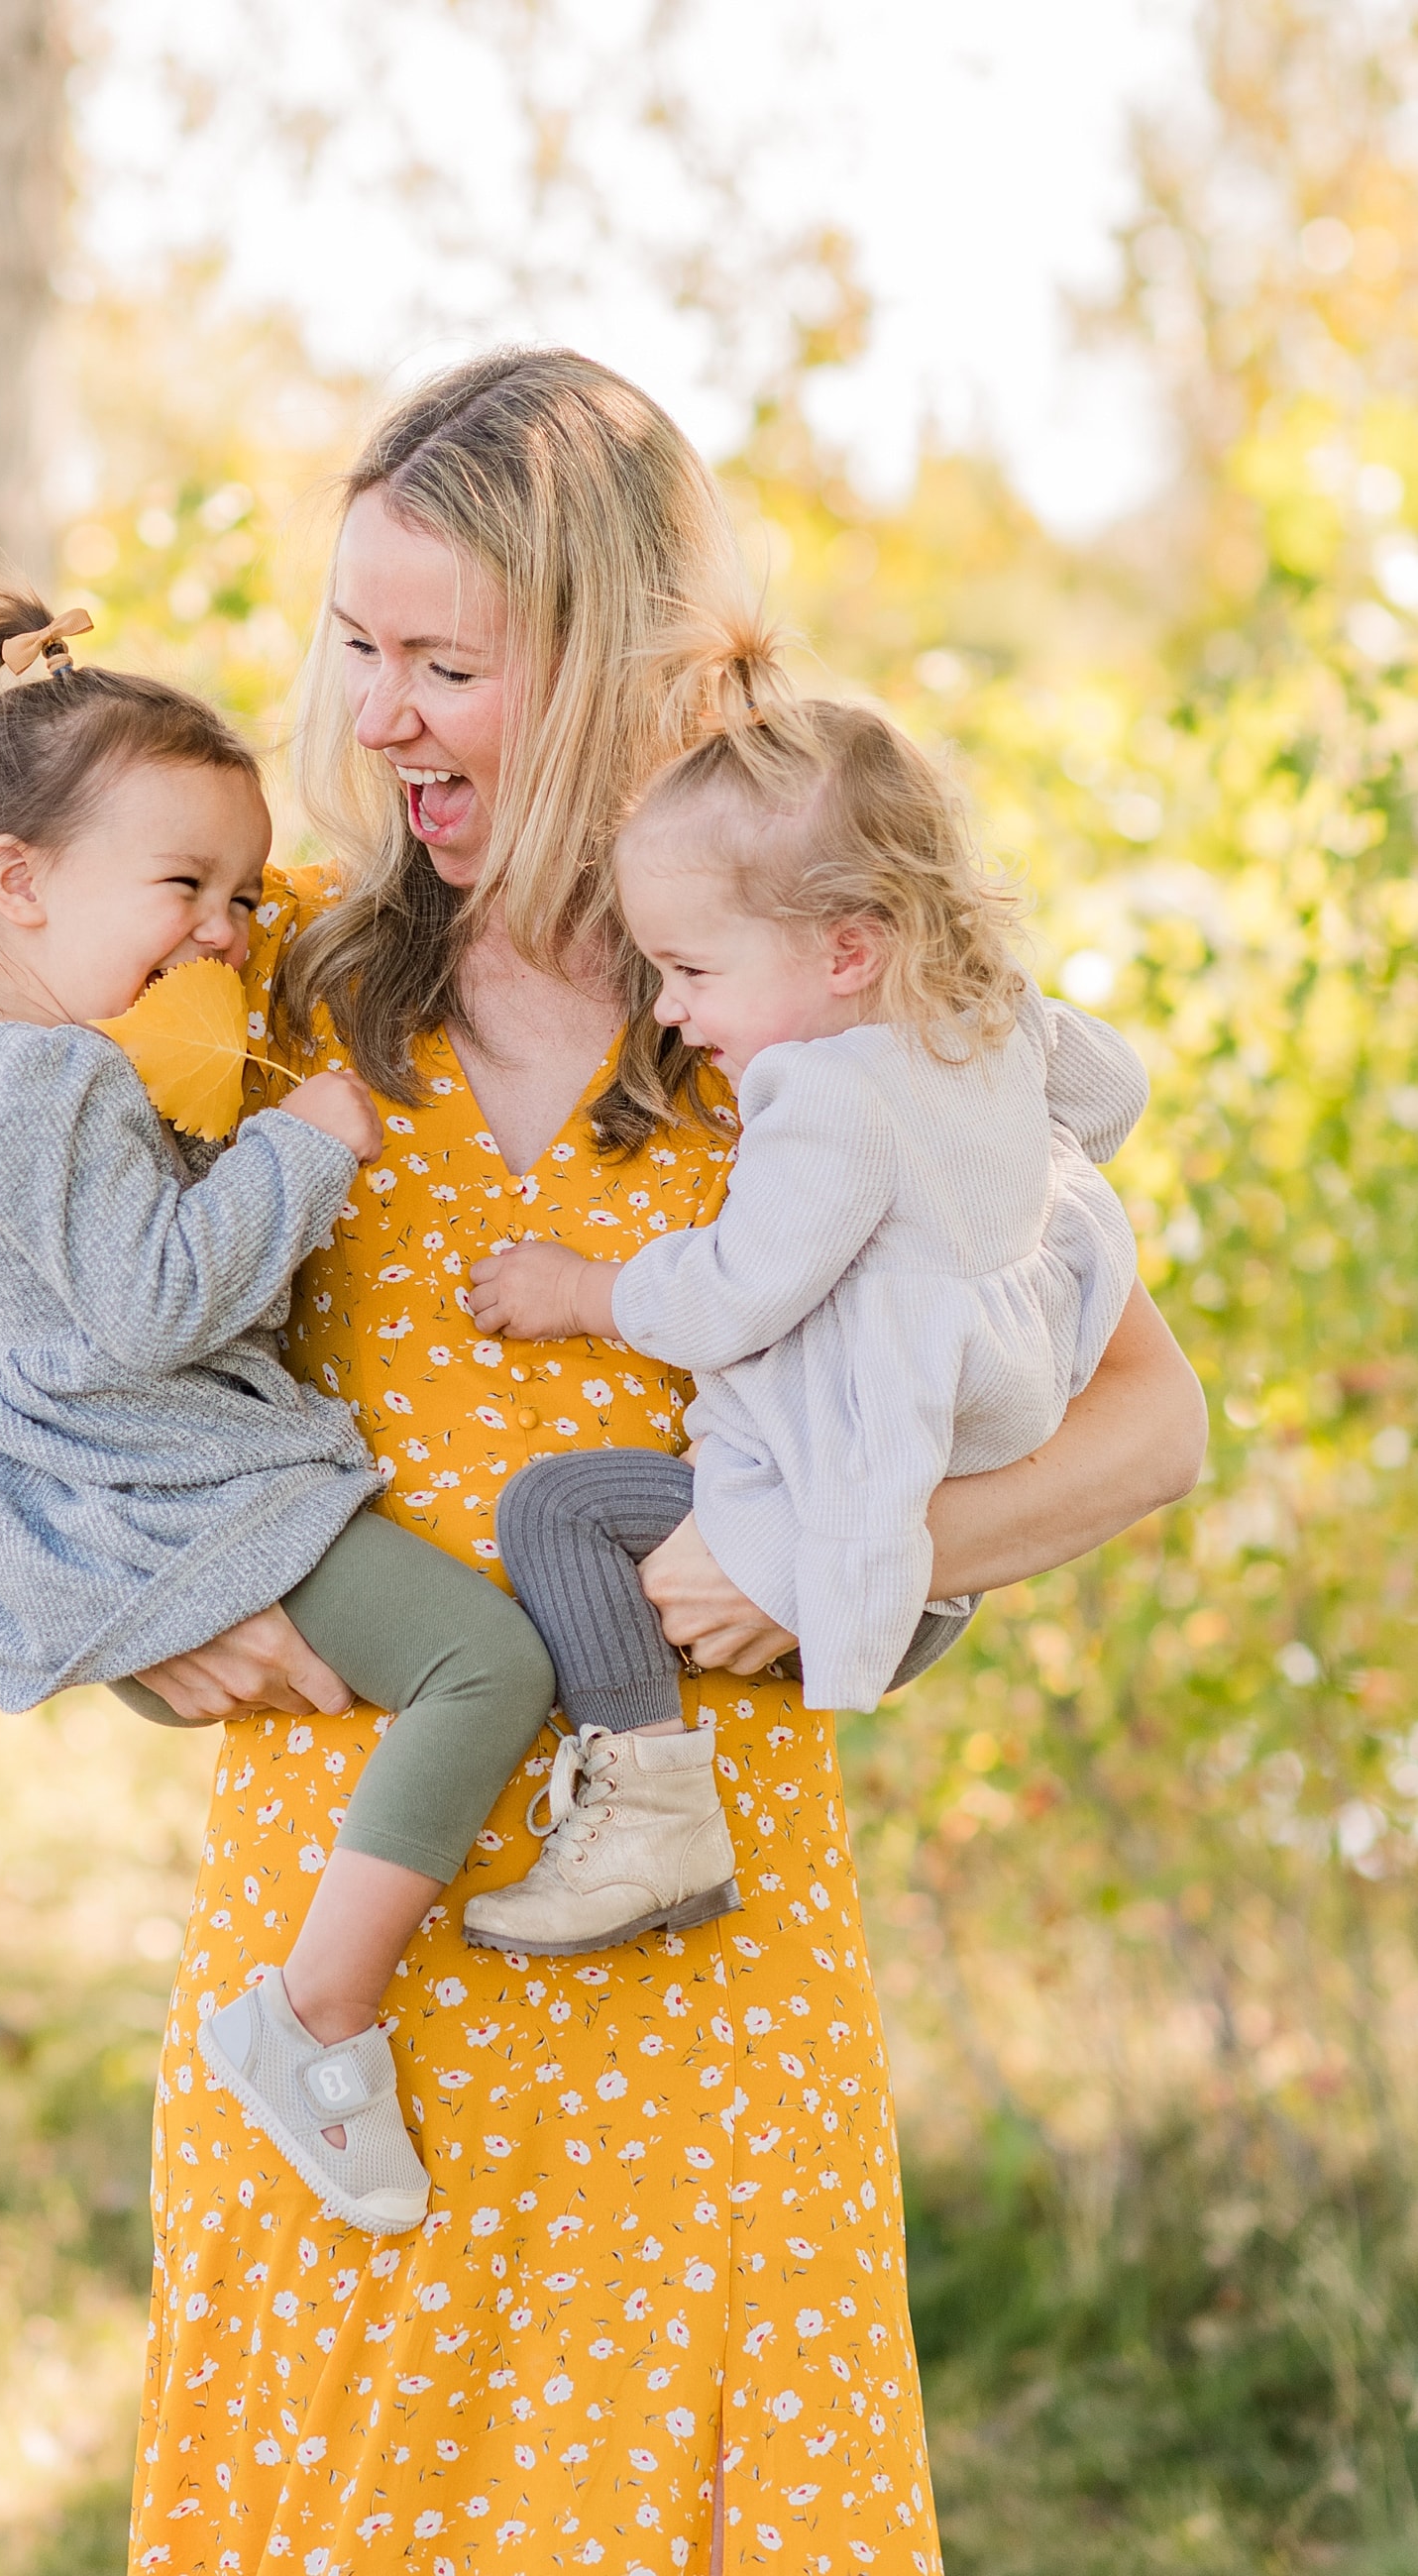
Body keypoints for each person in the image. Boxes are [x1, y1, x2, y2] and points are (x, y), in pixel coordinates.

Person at [0, 348, 1205, 2572]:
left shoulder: (805, 1000)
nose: (381, 717)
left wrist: (834, 1552)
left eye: (447, 664)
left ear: (617, 662)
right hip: (338, 2001)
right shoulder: (260, 980)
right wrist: (133, 1604)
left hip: (701, 1976)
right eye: (357, 648)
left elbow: (1151, 1419)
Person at [0, 590, 557, 2239]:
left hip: (139, 1529)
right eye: (186, 888)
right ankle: (312, 2014)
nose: (227, 934)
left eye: (240, 894)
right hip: (201, 1513)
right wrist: (300, 1148)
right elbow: (156, 1305)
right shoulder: (50, 1082)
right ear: (17, 883)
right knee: (487, 1663)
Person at [465, 632, 1147, 1956]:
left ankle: (651, 1808)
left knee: (556, 1511)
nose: (670, 1010)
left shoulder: (831, 1096)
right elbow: (1112, 1092)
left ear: (846, 951)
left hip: (840, 1522)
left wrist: (584, 1290)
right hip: (942, 1515)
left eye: (693, 972)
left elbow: (734, 1296)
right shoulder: (987, 1020)